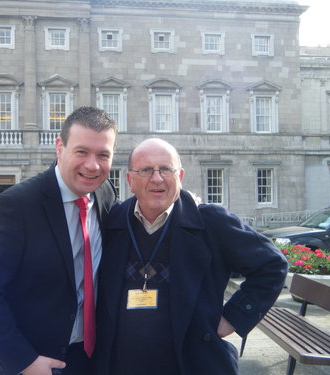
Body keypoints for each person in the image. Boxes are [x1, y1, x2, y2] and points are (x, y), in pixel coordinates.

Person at [95, 138, 288, 375]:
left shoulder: (210, 222)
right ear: (129, 180)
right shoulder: (112, 223)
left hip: (191, 364)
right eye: (146, 170)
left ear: (180, 176)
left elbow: (272, 264)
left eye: (166, 169)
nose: (157, 179)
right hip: (121, 365)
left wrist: (234, 317)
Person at [0, 106, 118, 375]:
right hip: (29, 362)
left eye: (103, 155)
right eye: (81, 152)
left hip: (85, 359)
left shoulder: (104, 193)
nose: (92, 165)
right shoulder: (15, 206)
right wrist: (24, 361)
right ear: (60, 147)